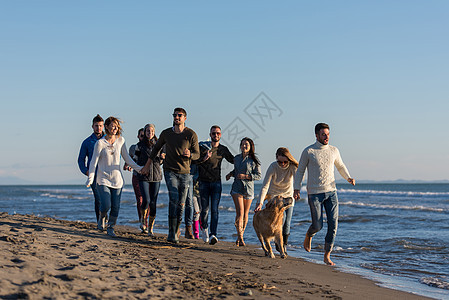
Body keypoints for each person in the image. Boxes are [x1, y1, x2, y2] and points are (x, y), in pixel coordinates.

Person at [293, 123, 355, 266]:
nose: (326, 137)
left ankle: (327, 255)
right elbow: (300, 171)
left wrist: (348, 177)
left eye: (328, 134)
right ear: (317, 135)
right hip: (314, 193)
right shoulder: (308, 151)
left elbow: (340, 165)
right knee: (318, 225)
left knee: (333, 225)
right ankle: (309, 234)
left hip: (331, 192)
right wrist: (297, 188)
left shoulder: (334, 150)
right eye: (323, 134)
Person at [141, 108, 200, 243]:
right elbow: (156, 148)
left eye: (179, 115)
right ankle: (171, 232)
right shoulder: (166, 133)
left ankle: (176, 229)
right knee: (173, 197)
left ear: (185, 118)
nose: (176, 117)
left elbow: (197, 154)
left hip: (185, 173)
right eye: (175, 115)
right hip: (170, 171)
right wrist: (147, 165)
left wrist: (190, 154)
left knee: (182, 203)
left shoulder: (191, 134)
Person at [87, 116, 143, 237]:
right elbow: (93, 162)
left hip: (117, 180)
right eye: (113, 125)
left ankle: (111, 227)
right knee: (106, 204)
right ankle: (102, 216)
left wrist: (139, 169)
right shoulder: (100, 143)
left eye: (117, 126)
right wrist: (90, 178)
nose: (115, 128)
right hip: (102, 179)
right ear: (106, 127)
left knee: (116, 207)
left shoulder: (120, 140)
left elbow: (127, 158)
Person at [254, 147, 298, 252]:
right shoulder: (273, 167)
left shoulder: (292, 167)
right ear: (276, 158)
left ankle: (283, 245)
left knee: (287, 223)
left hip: (288, 199)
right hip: (274, 199)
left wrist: (297, 190)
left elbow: (298, 180)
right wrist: (260, 202)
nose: (282, 164)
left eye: (285, 162)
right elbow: (265, 186)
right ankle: (276, 242)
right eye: (280, 162)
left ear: (289, 160)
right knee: (278, 222)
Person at [196, 125, 234, 244]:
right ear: (210, 135)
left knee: (214, 210)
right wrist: (205, 158)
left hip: (216, 183)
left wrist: (246, 157)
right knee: (204, 210)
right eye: (213, 133)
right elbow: (194, 161)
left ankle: (213, 234)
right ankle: (205, 229)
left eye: (217, 133)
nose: (215, 135)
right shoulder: (203, 148)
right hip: (203, 182)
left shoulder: (223, 149)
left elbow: (233, 160)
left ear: (220, 135)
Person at [226, 137, 261, 246]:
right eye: (242, 144)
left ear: (250, 147)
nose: (244, 146)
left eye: (247, 144)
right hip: (237, 188)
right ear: (240, 146)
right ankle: (240, 237)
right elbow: (236, 171)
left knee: (245, 214)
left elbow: (258, 176)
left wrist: (246, 176)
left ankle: (240, 235)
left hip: (249, 189)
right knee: (240, 212)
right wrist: (230, 174)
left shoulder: (254, 161)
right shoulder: (236, 158)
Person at [135, 124, 164, 237]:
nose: (149, 133)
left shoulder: (159, 145)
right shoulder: (140, 145)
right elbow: (135, 159)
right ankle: (143, 219)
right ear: (144, 132)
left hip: (156, 176)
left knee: (153, 203)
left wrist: (162, 158)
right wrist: (137, 168)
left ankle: (151, 227)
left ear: (154, 132)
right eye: (147, 131)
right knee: (146, 200)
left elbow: (161, 162)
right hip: (143, 176)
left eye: (151, 131)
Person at [77, 114, 105, 222]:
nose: (99, 128)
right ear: (92, 126)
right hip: (94, 175)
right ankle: (100, 221)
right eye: (96, 125)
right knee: (98, 199)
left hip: (107, 174)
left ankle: (106, 219)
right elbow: (80, 159)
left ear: (104, 126)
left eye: (101, 126)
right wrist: (86, 171)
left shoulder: (108, 140)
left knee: (107, 199)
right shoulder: (87, 142)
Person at [124, 128, 146, 233]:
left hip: (148, 177)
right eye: (141, 136)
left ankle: (147, 222)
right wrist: (127, 165)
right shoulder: (133, 148)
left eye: (144, 136)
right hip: (136, 176)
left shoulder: (151, 147)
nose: (143, 138)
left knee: (148, 200)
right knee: (140, 200)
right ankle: (142, 221)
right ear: (138, 136)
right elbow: (129, 160)